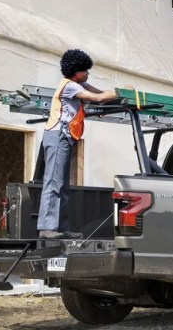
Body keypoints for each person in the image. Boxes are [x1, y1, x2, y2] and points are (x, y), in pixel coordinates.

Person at [37, 49, 120, 239]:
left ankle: (61, 227)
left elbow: (99, 93)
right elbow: (99, 98)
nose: (88, 74)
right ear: (76, 70)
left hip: (64, 138)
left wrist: (115, 96)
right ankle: (46, 228)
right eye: (86, 71)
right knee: (53, 182)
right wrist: (120, 93)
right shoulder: (69, 86)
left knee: (63, 184)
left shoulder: (78, 83)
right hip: (58, 136)